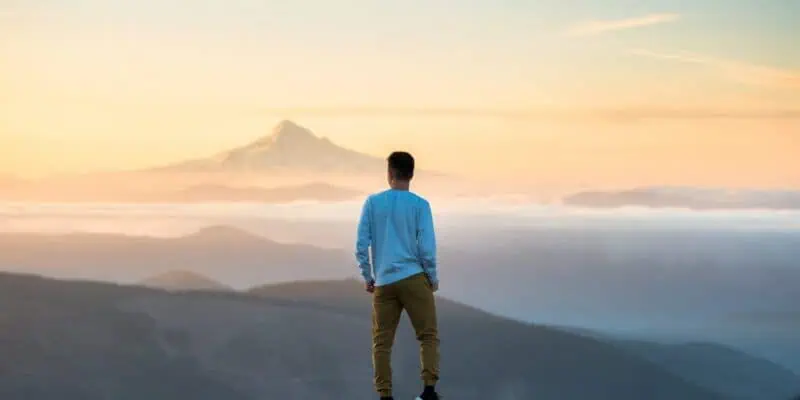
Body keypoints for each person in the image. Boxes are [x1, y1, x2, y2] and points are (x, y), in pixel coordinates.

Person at [356, 151, 441, 400]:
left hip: (383, 281)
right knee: (427, 335)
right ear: (412, 174)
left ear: (390, 173)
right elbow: (427, 248)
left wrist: (368, 276)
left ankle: (385, 395)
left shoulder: (372, 203)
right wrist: (432, 277)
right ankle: (428, 391)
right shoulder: (420, 205)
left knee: (382, 343)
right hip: (414, 277)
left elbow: (361, 245)